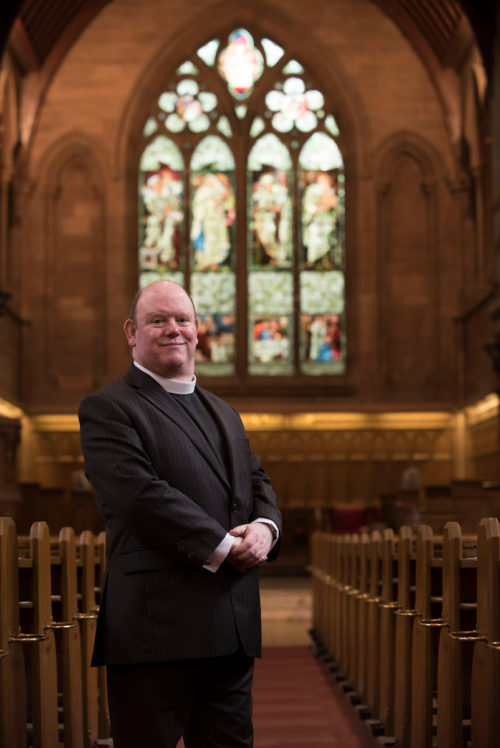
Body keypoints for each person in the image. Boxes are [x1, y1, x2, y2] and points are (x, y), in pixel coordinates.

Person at [78, 280, 281, 748]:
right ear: (132, 332)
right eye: (158, 320)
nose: (174, 329)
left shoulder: (224, 412)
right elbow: (140, 498)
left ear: (197, 330)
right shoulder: (108, 408)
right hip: (156, 630)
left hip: (230, 624)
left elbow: (258, 483)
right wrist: (229, 546)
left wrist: (266, 530)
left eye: (183, 320)